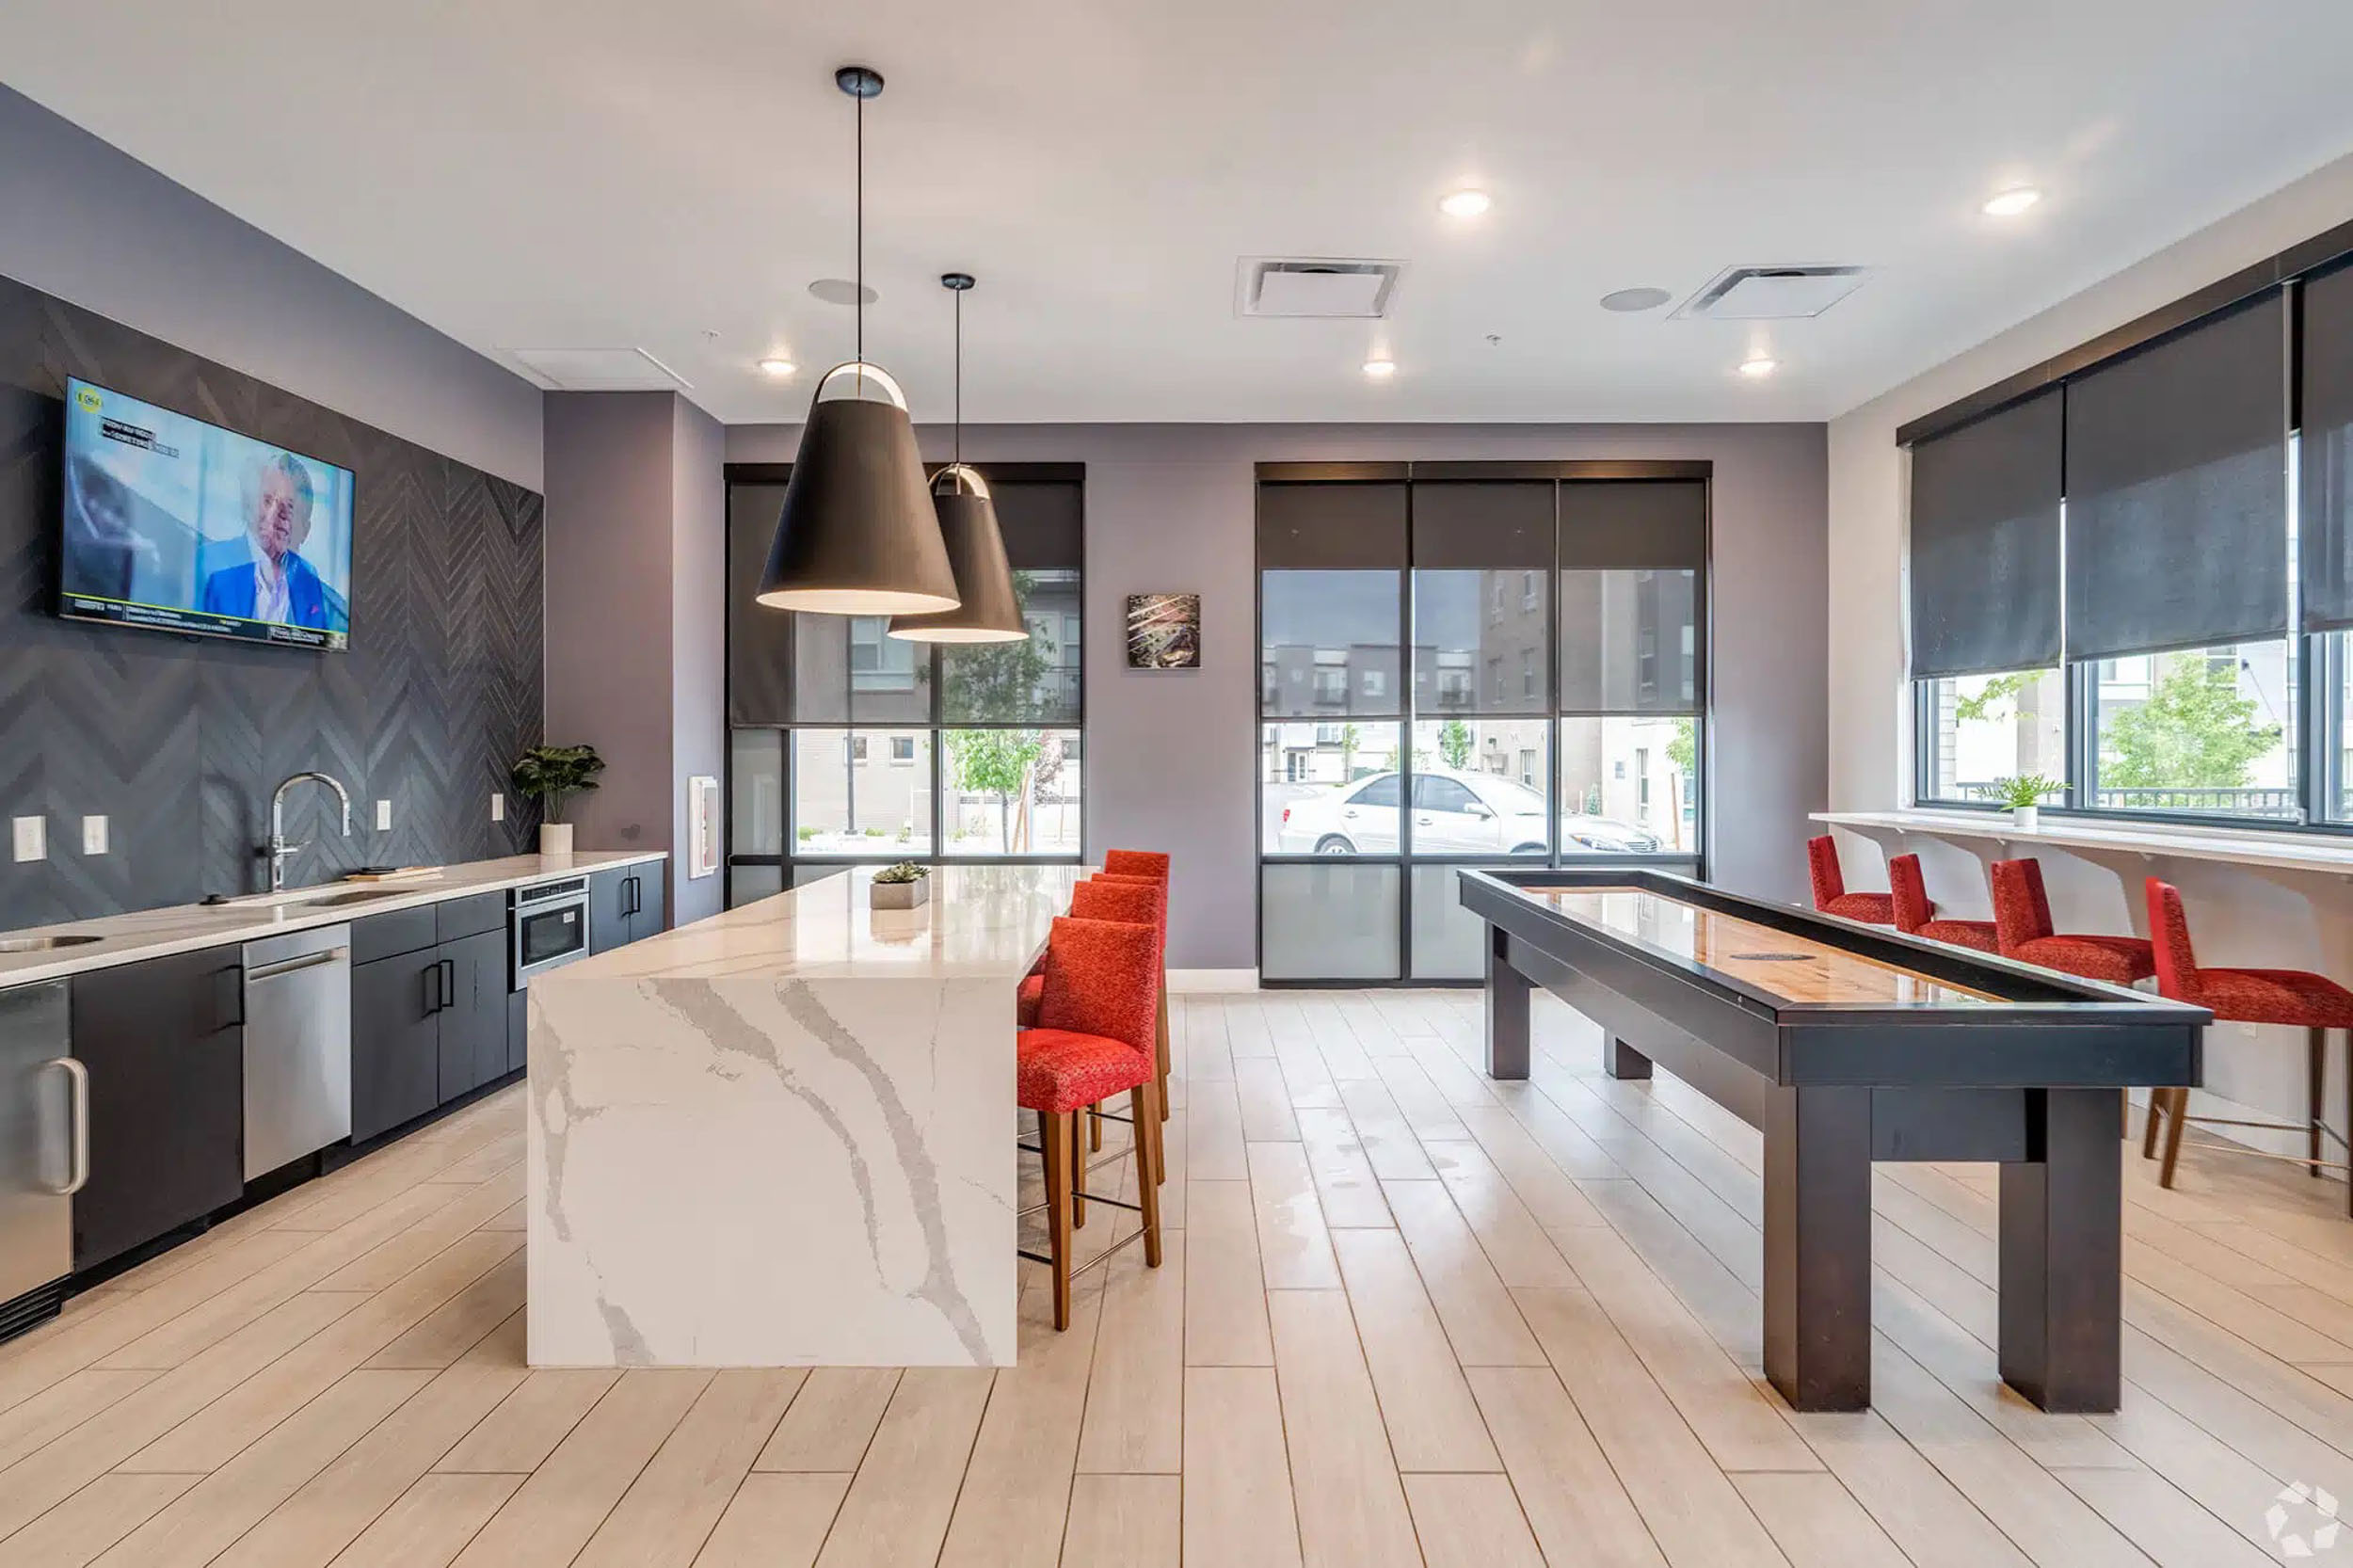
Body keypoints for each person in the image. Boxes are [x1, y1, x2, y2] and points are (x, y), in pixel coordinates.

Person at [199, 452, 335, 629]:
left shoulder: (308, 580)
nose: (278, 515)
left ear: (305, 531)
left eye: (290, 507)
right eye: (268, 501)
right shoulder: (212, 562)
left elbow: (319, 646)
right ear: (249, 507)